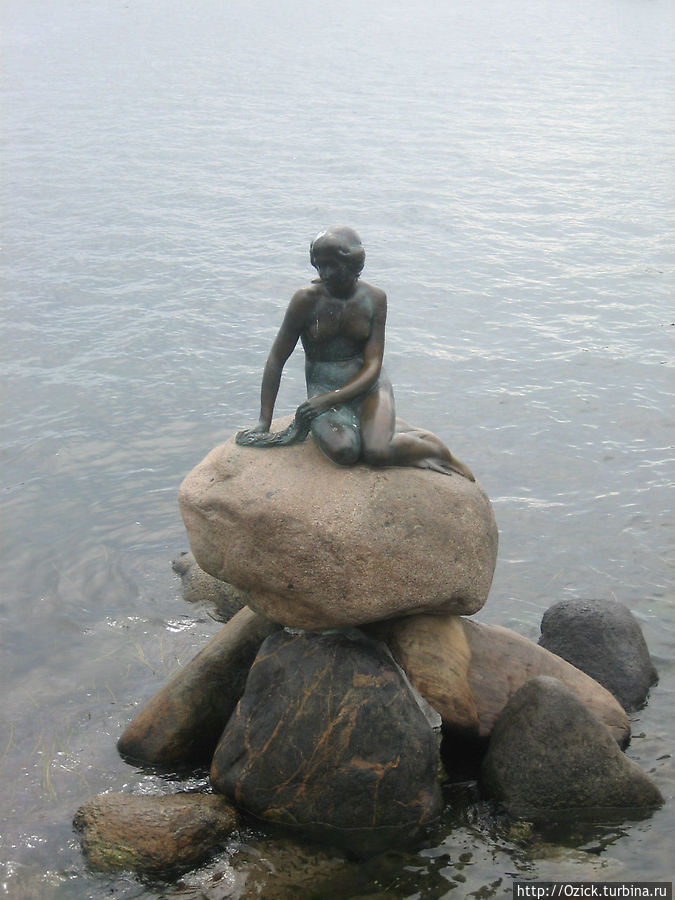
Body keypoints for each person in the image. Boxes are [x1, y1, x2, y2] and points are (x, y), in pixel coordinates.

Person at [237, 227, 474, 479]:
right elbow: (276, 359)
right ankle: (384, 427)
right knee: (345, 452)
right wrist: (264, 421)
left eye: (332, 265)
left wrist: (330, 400)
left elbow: (373, 365)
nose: (324, 273)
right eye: (319, 265)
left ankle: (436, 450)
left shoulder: (375, 298)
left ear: (352, 264)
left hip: (368, 387)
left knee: (377, 452)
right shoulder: (305, 301)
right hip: (324, 388)